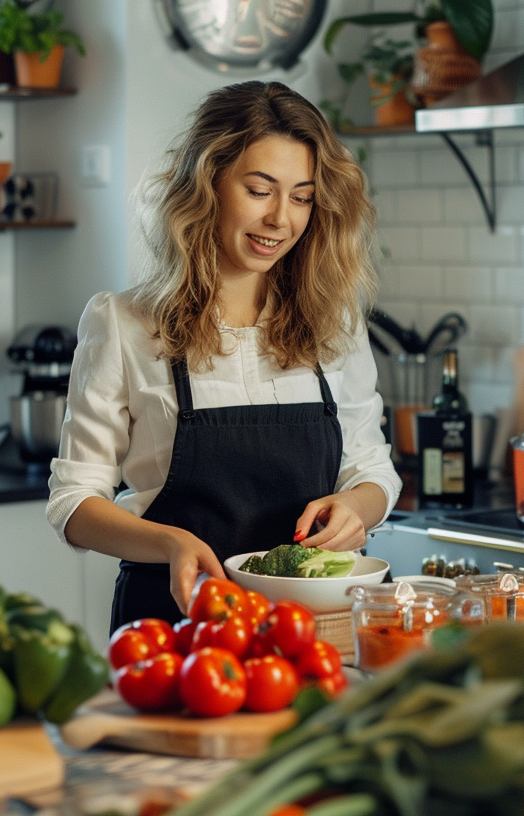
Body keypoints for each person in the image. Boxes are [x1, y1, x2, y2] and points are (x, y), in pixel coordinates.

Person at [47, 81, 402, 631]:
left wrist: (359, 508)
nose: (281, 219)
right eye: (260, 190)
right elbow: (73, 503)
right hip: (175, 628)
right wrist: (171, 542)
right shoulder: (124, 323)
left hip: (312, 628)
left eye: (302, 196)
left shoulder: (335, 323)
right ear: (208, 183)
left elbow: (372, 468)